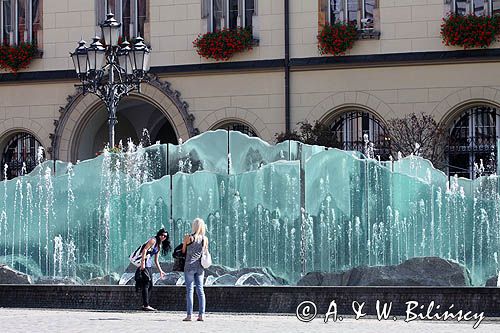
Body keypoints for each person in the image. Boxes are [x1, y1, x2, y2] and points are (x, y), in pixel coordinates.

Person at [182, 217, 208, 321]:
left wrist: (185, 244)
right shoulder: (205, 239)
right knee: (200, 291)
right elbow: (205, 252)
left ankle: (189, 315)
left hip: (189, 266)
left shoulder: (189, 237)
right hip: (200, 267)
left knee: (189, 291)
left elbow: (183, 251)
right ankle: (201, 315)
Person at [139, 228, 171, 311]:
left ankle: (145, 304)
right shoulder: (153, 240)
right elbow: (144, 250)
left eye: (165, 236)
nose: (163, 237)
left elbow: (156, 260)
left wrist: (160, 271)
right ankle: (145, 305)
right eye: (162, 235)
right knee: (146, 284)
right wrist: (142, 263)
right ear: (159, 234)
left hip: (148, 265)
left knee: (150, 284)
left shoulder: (159, 245)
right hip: (144, 263)